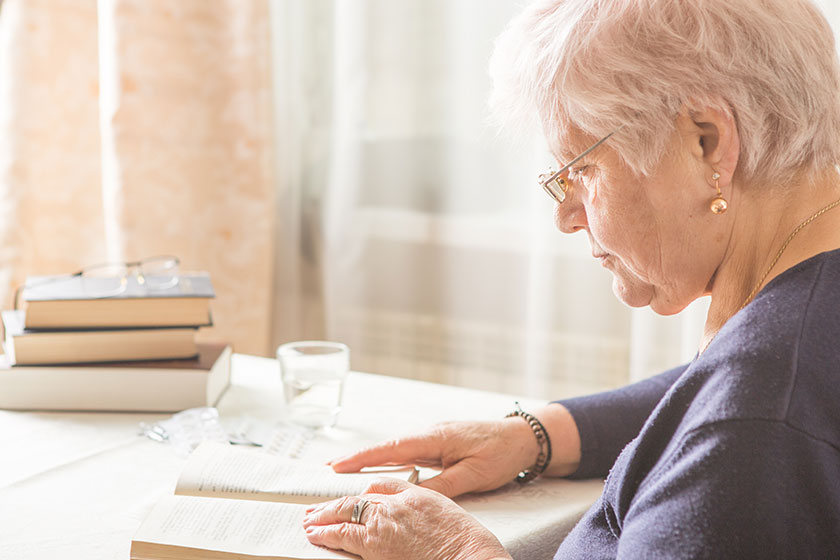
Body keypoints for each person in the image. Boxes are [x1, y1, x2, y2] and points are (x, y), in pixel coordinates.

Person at [302, 0, 840, 557]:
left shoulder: (756, 423)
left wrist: (454, 551)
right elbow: (715, 388)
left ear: (707, 141)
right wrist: (541, 434)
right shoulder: (804, 308)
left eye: (581, 169)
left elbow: (746, 414)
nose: (564, 216)